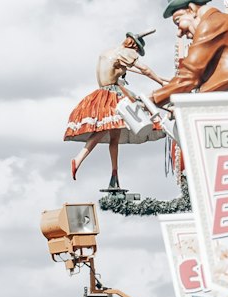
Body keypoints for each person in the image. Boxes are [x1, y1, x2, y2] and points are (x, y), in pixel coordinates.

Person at [64, 31, 166, 191]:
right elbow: (145, 69)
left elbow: (114, 70)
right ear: (133, 45)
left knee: (113, 135)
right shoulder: (124, 52)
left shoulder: (107, 52)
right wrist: (161, 82)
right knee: (107, 128)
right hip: (112, 94)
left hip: (101, 93)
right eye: (137, 51)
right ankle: (79, 158)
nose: (136, 54)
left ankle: (114, 173)